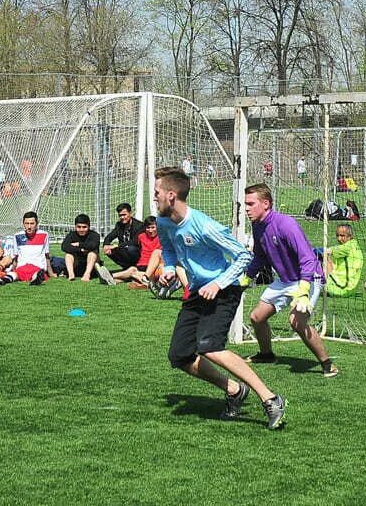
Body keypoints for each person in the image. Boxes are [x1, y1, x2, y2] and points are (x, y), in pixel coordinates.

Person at [153, 166, 286, 428]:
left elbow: (244, 256)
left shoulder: (204, 225)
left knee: (210, 346)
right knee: (180, 356)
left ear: (171, 195)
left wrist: (218, 282)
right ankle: (235, 391)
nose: (153, 197)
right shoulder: (162, 221)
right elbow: (168, 249)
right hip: (198, 290)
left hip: (225, 288)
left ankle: (271, 398)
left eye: (156, 192)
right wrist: (169, 269)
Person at [242, 184, 338, 376]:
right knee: (256, 317)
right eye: (245, 204)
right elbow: (260, 256)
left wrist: (303, 289)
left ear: (266, 204)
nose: (246, 208)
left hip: (309, 277)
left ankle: (327, 364)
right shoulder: (257, 225)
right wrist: (246, 279)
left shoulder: (286, 224)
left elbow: (308, 259)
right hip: (285, 280)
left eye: (250, 204)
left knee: (296, 321)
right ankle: (266, 354)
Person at [2, 212, 52, 284]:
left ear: (37, 223)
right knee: (14, 274)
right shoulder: (17, 236)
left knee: (37, 273)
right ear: (23, 224)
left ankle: (36, 279)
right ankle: (4, 280)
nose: (29, 226)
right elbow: (16, 257)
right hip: (22, 267)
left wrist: (51, 273)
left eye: (32, 223)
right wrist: (13, 269)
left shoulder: (44, 234)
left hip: (37, 266)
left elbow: (46, 255)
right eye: (26, 223)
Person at [58, 214, 104, 283]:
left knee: (92, 253)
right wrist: (80, 249)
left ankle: (87, 275)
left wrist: (78, 244)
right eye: (79, 227)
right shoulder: (72, 235)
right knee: (68, 255)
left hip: (92, 268)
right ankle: (71, 274)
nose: (81, 229)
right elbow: (64, 246)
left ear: (89, 227)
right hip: (77, 265)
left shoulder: (94, 235)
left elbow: (93, 246)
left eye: (84, 227)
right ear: (75, 227)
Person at [100, 203, 142, 277]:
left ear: (130, 213)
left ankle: (137, 267)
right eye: (120, 215)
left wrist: (115, 246)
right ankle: (127, 268)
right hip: (124, 249)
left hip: (137, 252)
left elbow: (134, 242)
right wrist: (106, 245)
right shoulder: (119, 225)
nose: (122, 217)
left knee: (131, 248)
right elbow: (109, 237)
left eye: (124, 215)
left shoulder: (139, 225)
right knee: (109, 251)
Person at [323, 223, 364, 297]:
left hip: (342, 288)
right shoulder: (353, 245)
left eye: (342, 236)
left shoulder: (348, 247)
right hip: (349, 289)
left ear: (350, 236)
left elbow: (329, 251)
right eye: (337, 235)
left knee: (320, 258)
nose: (339, 239)